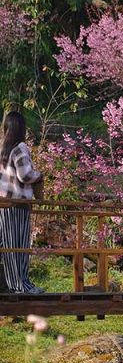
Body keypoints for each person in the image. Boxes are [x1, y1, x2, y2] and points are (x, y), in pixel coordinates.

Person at [0, 112, 44, 294]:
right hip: (18, 204)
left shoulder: (3, 148)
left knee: (9, 247)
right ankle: (22, 285)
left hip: (4, 204)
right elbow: (24, 175)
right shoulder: (20, 147)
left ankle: (13, 285)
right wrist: (39, 175)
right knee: (19, 247)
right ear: (22, 129)